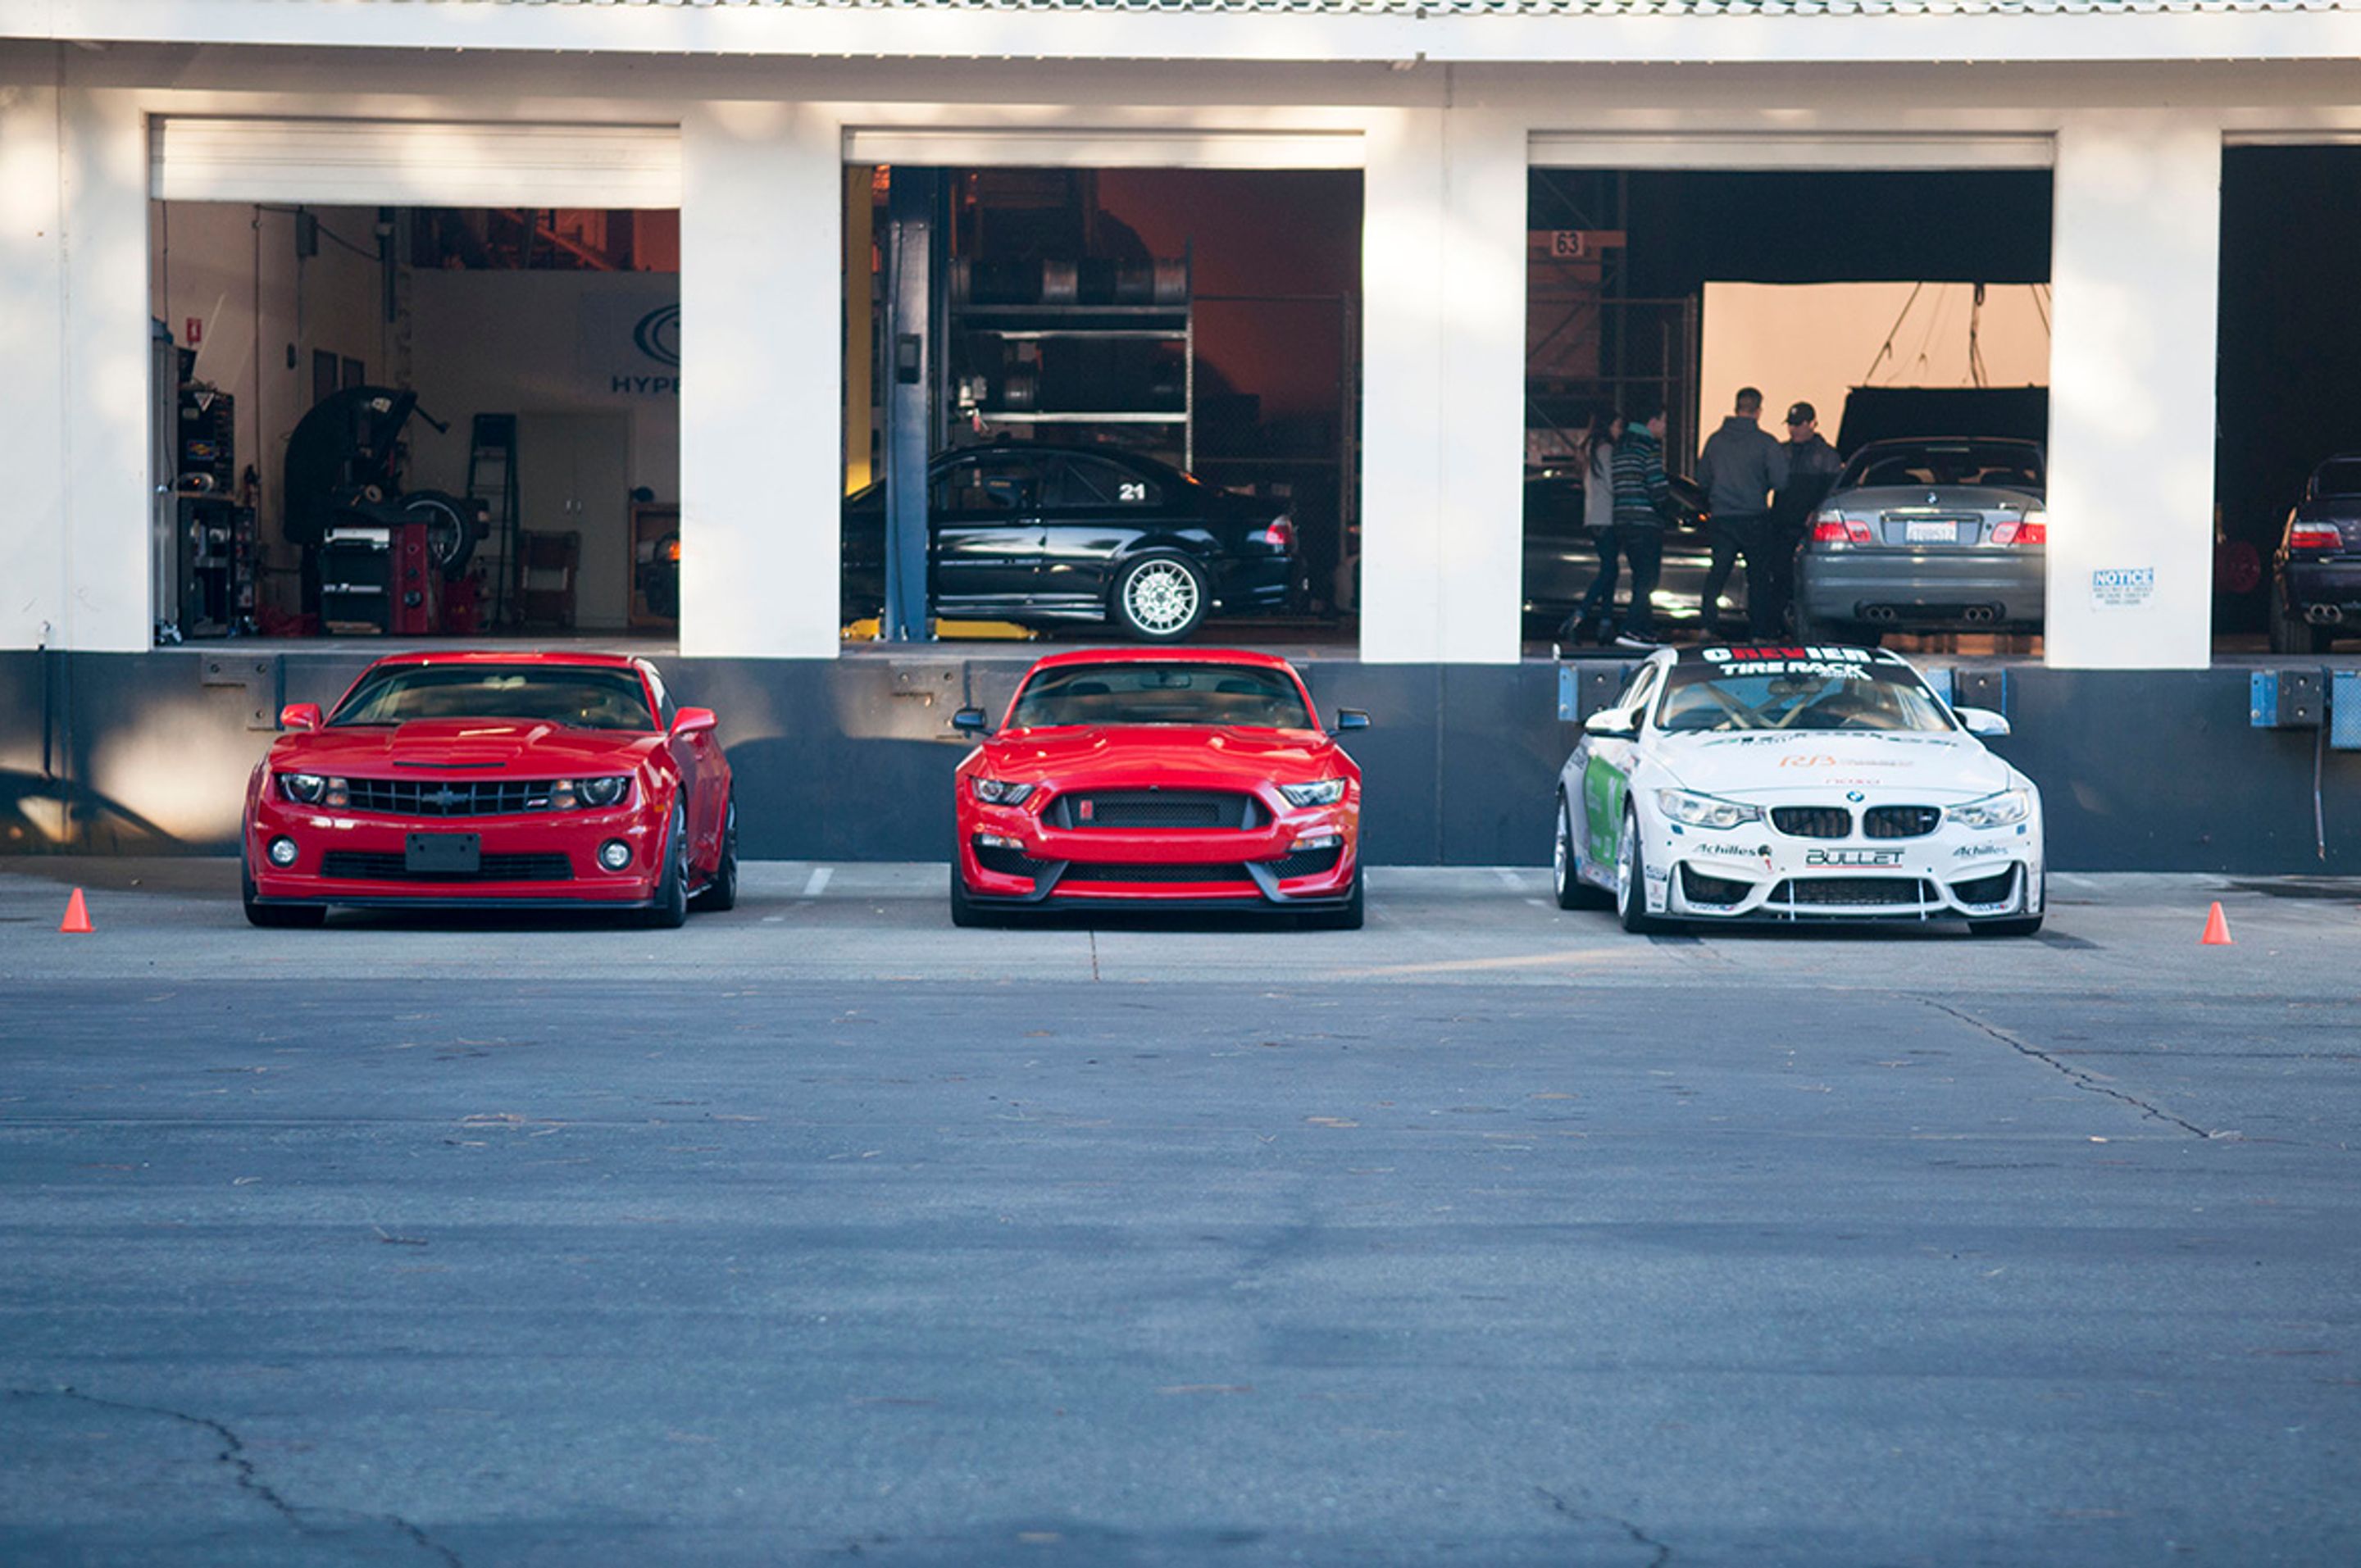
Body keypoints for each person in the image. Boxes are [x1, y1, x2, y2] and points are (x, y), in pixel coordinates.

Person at [1695, 387, 1790, 639]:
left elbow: (1701, 478)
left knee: (1718, 573)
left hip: (1722, 517)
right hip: (1754, 517)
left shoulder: (1715, 440)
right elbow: (1781, 481)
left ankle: (1707, 625)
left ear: (1737, 407)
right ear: (1758, 410)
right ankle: (1759, 632)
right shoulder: (1766, 443)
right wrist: (1759, 486)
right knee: (1758, 578)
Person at [1766, 401, 1845, 634]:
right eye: (1791, 424)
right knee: (1779, 581)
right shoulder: (1782, 452)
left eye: (1798, 424)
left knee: (1805, 584)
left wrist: (1817, 513)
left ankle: (1805, 630)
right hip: (1781, 528)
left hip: (1809, 531)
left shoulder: (1826, 456)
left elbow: (1834, 492)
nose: (1793, 430)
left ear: (1812, 424)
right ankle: (1777, 629)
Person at [1605, 402, 1675, 648]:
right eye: (1664, 421)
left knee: (1639, 576)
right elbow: (1657, 487)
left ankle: (1646, 631)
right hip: (1645, 520)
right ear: (1652, 422)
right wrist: (1666, 507)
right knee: (1647, 580)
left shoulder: (1621, 445)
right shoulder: (1648, 446)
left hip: (1623, 519)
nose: (1666, 427)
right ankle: (1632, 629)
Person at [1562, 407, 1622, 644]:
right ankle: (1579, 615)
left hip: (1593, 516)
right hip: (1606, 516)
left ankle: (1604, 623)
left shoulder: (1589, 449)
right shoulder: (1606, 450)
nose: (1619, 431)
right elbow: (1611, 484)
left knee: (1610, 569)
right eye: (1617, 426)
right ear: (1608, 427)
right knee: (1609, 570)